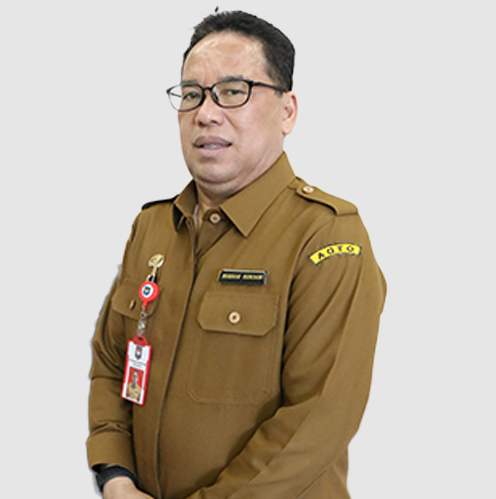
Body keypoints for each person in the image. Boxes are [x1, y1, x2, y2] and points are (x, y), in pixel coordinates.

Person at [87, 10, 386, 499]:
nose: (205, 113)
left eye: (233, 91)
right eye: (191, 94)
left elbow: (315, 421)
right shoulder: (153, 228)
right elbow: (113, 361)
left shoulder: (326, 237)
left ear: (287, 111)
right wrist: (115, 475)